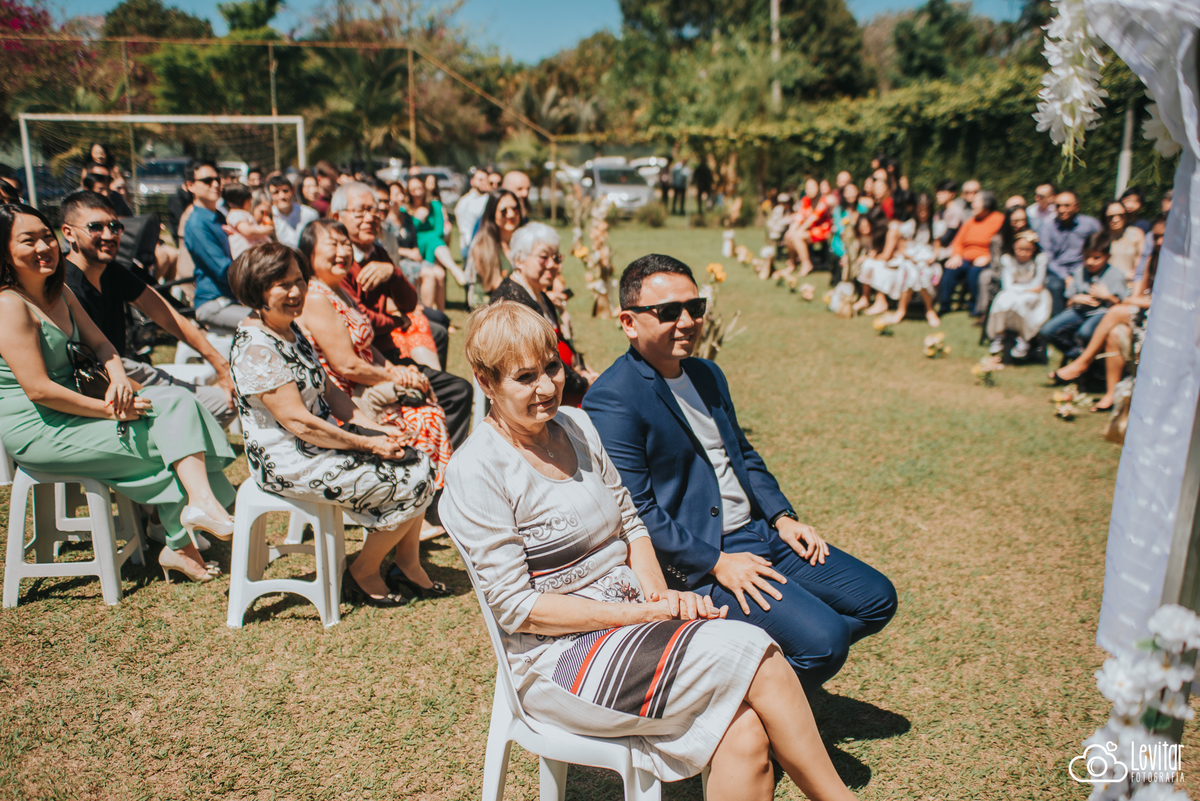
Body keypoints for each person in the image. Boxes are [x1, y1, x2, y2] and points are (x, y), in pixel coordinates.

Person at [440, 300, 862, 801]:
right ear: (486, 383)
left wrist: (662, 603)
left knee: (746, 733)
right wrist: (638, 612)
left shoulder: (578, 425)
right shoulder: (478, 468)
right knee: (754, 649)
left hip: (634, 620)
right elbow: (517, 608)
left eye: (552, 367)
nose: (548, 387)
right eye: (525, 377)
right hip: (555, 660)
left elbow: (632, 524)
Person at [583, 255, 897, 689]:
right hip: (706, 554)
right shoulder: (613, 397)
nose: (688, 321)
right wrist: (717, 563)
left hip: (761, 532)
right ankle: (752, 712)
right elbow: (637, 511)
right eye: (669, 312)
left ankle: (766, 677)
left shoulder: (707, 373)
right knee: (825, 641)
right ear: (629, 322)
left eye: (696, 307)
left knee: (876, 600)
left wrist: (782, 517)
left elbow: (743, 454)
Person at [0, 202, 235, 584]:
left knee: (177, 401)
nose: (45, 247)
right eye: (29, 240)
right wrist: (110, 411)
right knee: (168, 439)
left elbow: (103, 344)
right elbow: (40, 391)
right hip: (40, 427)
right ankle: (180, 537)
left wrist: (119, 378)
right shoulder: (8, 305)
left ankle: (200, 506)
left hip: (78, 404)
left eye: (47, 237)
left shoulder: (57, 291)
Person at [227, 242, 439, 606]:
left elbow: (329, 390)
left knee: (418, 459)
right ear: (257, 289)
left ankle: (406, 562)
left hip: (320, 445)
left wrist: (373, 427)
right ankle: (362, 571)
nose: (296, 292)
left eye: (299, 281)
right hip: (289, 461)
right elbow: (299, 424)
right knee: (410, 477)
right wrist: (368, 444)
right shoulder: (257, 347)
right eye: (283, 285)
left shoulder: (291, 331)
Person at [297, 220, 452, 545]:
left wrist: (396, 368)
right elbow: (346, 365)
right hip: (344, 402)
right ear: (309, 253)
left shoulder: (340, 290)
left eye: (345, 245)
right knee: (426, 418)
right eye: (332, 246)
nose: (342, 252)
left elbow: (366, 350)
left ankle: (419, 509)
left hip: (368, 389)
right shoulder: (315, 296)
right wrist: (395, 375)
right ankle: (410, 509)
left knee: (429, 409)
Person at [60, 190, 236, 429]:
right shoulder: (62, 285)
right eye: (95, 227)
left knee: (224, 404)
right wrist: (160, 398)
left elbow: (169, 317)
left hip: (125, 369)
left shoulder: (114, 271)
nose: (109, 235)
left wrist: (220, 365)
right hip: (92, 382)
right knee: (186, 409)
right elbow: (76, 364)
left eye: (114, 226)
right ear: (68, 233)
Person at [329, 183, 472, 447]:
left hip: (385, 354)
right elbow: (359, 321)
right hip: (361, 366)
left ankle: (446, 464)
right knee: (455, 391)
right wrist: (397, 322)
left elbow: (409, 303)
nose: (370, 218)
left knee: (457, 389)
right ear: (337, 217)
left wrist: (392, 272)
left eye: (374, 211)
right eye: (359, 212)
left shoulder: (378, 251)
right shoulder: (337, 261)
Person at [1051, 217, 1163, 410]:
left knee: (1114, 312)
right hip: (1137, 311)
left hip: (1159, 316)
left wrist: (1117, 298)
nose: (1159, 241)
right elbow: (1137, 292)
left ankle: (1083, 362)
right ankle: (1110, 394)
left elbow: (1157, 302)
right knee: (1115, 332)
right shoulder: (1151, 259)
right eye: (1156, 236)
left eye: (1164, 236)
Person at [488, 222, 596, 406]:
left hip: (562, 382)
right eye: (544, 257)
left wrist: (583, 369)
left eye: (556, 258)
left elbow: (562, 342)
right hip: (538, 393)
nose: (552, 265)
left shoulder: (540, 295)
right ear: (519, 260)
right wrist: (583, 382)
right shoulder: (512, 301)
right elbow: (534, 362)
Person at [1043, 232, 1130, 368]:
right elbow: (1069, 301)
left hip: (1102, 313)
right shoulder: (1079, 271)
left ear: (1107, 257)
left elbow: (1122, 305)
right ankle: (1079, 357)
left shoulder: (1115, 274)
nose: (1090, 262)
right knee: (1048, 330)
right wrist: (1077, 298)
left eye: (1096, 258)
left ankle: (1086, 363)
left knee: (1084, 332)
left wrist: (1107, 296)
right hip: (1080, 311)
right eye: (1087, 257)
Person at [184, 160, 251, 334]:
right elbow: (223, 270)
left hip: (233, 298)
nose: (215, 185)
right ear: (190, 186)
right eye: (207, 181)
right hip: (214, 303)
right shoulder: (197, 225)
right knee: (268, 322)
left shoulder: (220, 216)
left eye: (217, 180)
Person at [985, 230, 1051, 358]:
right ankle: (1000, 334)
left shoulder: (1039, 260)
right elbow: (1007, 285)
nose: (1023, 253)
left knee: (1021, 303)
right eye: (1020, 249)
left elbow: (1038, 284)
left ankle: (1024, 337)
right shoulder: (1008, 259)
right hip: (1014, 291)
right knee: (1002, 301)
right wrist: (1026, 289)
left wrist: (1026, 289)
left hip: (1035, 296)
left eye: (1028, 250)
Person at [1039, 190, 1102, 317]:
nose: (1062, 210)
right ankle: (1056, 324)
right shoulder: (1046, 228)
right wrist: (1066, 277)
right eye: (1058, 206)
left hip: (1085, 268)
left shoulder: (1090, 225)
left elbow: (1101, 247)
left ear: (1077, 206)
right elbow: (1048, 259)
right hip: (1058, 272)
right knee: (1055, 286)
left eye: (1067, 205)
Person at [940, 190, 1003, 317]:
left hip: (985, 259)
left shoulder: (999, 219)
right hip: (964, 257)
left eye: (976, 202)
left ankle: (975, 307)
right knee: (951, 268)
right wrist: (956, 255)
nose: (972, 205)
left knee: (975, 273)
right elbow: (957, 242)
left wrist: (988, 257)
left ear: (987, 203)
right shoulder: (970, 221)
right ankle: (944, 305)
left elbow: (1001, 244)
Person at [405, 175, 467, 300]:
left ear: (424, 188)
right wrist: (417, 220)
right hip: (417, 247)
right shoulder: (405, 210)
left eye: (420, 188)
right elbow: (409, 235)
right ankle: (454, 268)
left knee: (440, 273)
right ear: (408, 192)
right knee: (433, 241)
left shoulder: (435, 206)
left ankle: (439, 314)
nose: (417, 193)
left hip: (435, 245)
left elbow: (439, 230)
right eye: (413, 190)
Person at [883, 194, 941, 327]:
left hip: (926, 260)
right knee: (911, 275)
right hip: (911, 258)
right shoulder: (909, 226)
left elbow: (937, 247)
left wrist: (932, 257)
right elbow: (901, 247)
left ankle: (929, 310)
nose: (923, 213)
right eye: (920, 210)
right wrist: (910, 257)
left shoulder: (934, 227)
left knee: (923, 275)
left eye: (926, 210)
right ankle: (901, 310)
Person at [467, 189, 521, 309]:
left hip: (519, 304)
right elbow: (498, 286)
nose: (511, 214)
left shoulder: (525, 242)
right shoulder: (482, 247)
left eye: (515, 209)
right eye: (503, 211)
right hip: (491, 310)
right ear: (492, 214)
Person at [976, 204, 1030, 316]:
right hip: (1004, 272)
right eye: (1015, 221)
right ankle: (985, 312)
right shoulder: (998, 239)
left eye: (1022, 220)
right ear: (1008, 221)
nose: (1019, 224)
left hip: (1027, 271)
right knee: (985, 276)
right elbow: (996, 264)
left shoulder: (1030, 237)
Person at [223, 184, 275, 259]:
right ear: (246, 201)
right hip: (247, 255)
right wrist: (262, 231)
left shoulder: (241, 214)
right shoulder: (236, 215)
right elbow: (247, 231)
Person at [267, 175, 319, 249]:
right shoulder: (268, 216)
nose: (282, 196)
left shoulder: (310, 214)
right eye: (276, 192)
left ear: (293, 191)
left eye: (285, 191)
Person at [454, 167, 491, 261]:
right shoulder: (465, 201)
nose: (483, 182)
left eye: (486, 180)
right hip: (469, 246)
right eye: (480, 180)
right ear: (472, 181)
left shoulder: (489, 199)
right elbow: (463, 227)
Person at [1103, 200, 1145, 281]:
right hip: (1106, 284)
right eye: (1110, 217)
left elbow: (1141, 260)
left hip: (1130, 284)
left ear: (1126, 215)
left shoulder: (1136, 234)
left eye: (1120, 215)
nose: (1115, 220)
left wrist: (1135, 274)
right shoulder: (1101, 237)